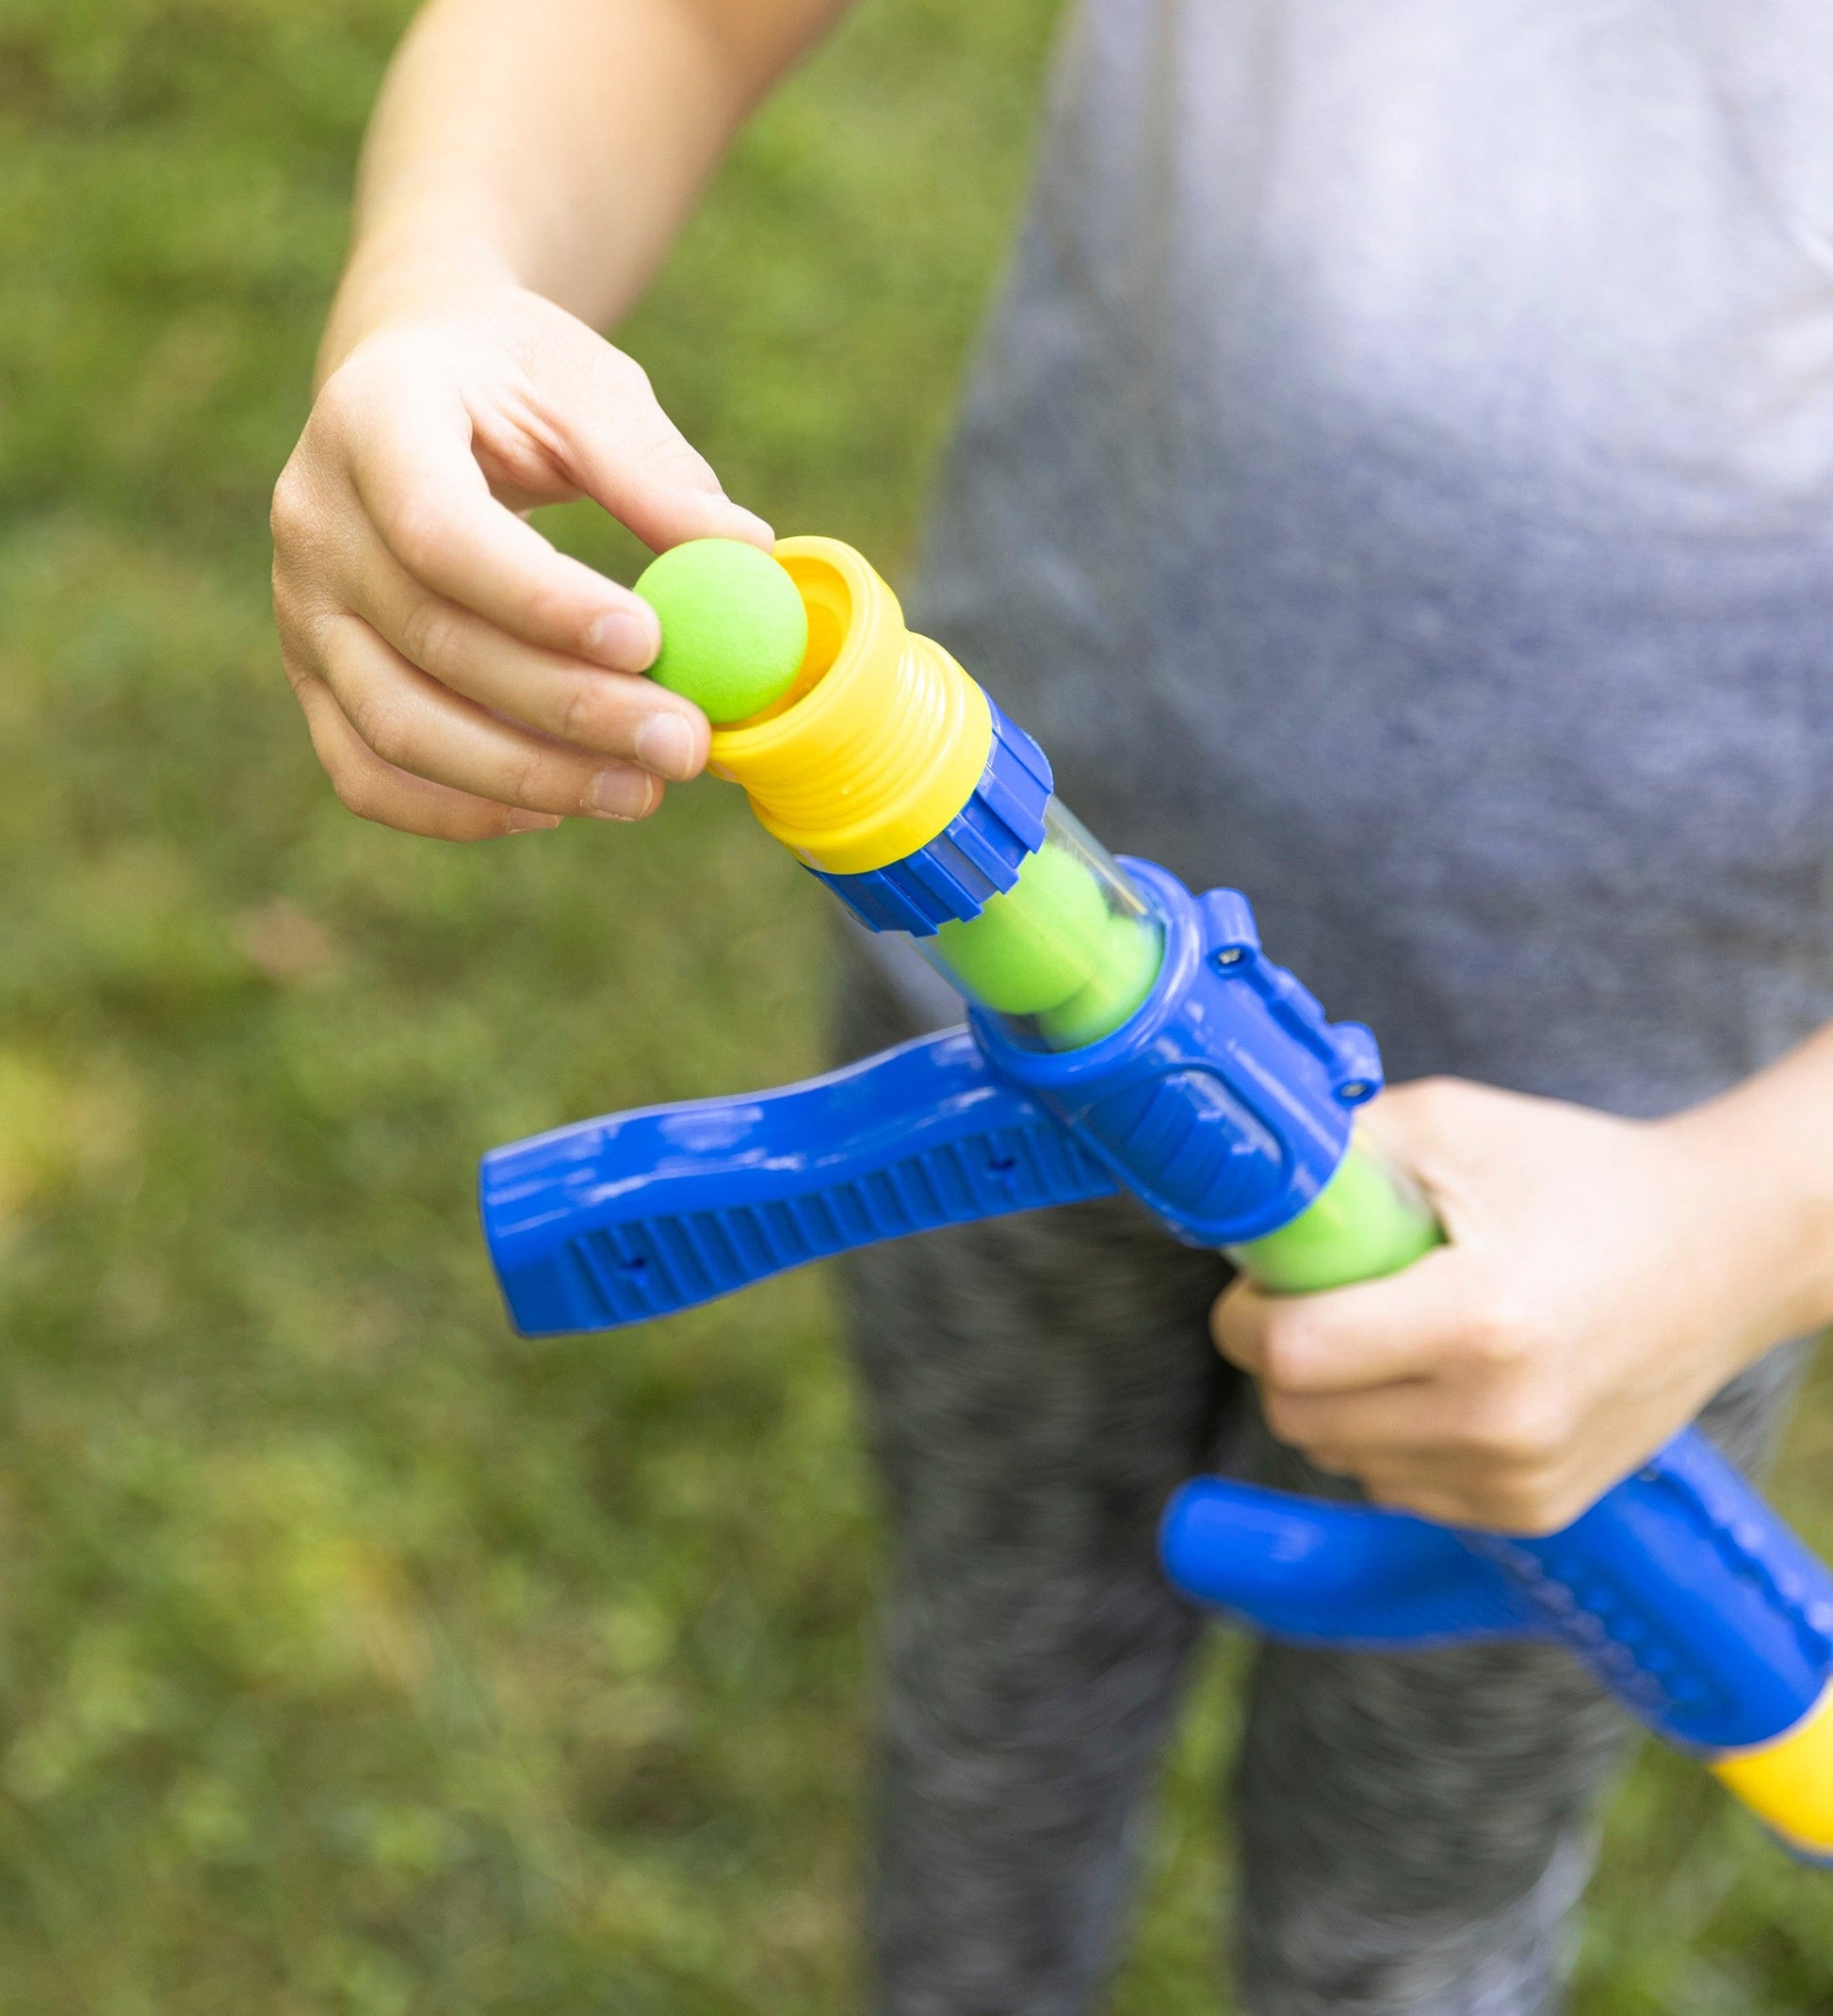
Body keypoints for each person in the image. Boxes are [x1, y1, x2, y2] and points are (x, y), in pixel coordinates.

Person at [269, 3, 1833, 2008]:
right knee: (995, 1705)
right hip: (1012, 960)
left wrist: (1741, 1213)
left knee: (1405, 1920)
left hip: (1609, 1221)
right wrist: (437, 287)